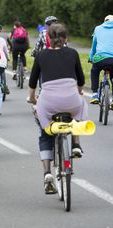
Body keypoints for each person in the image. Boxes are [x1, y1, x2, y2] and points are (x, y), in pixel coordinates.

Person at [27, 23, 88, 194]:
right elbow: (81, 80)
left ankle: (47, 173)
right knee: (80, 107)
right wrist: (78, 92)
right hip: (71, 100)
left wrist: (32, 99)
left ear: (48, 39)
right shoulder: (73, 53)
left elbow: (32, 83)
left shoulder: (41, 55)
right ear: (65, 38)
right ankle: (76, 144)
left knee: (45, 134)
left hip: (48, 102)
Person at [89, 15, 113, 105]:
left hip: (100, 59)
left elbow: (94, 46)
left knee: (94, 71)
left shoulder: (98, 28)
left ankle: (95, 94)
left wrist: (91, 58)